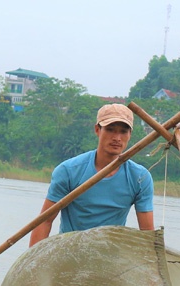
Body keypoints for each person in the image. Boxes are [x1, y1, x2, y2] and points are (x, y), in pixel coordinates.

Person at [29, 104, 154, 247]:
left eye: (123, 132)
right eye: (110, 130)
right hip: (69, 252)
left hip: (110, 256)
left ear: (130, 134)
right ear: (97, 130)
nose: (117, 138)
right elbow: (44, 221)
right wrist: (32, 265)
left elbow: (147, 235)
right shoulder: (69, 171)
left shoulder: (140, 178)